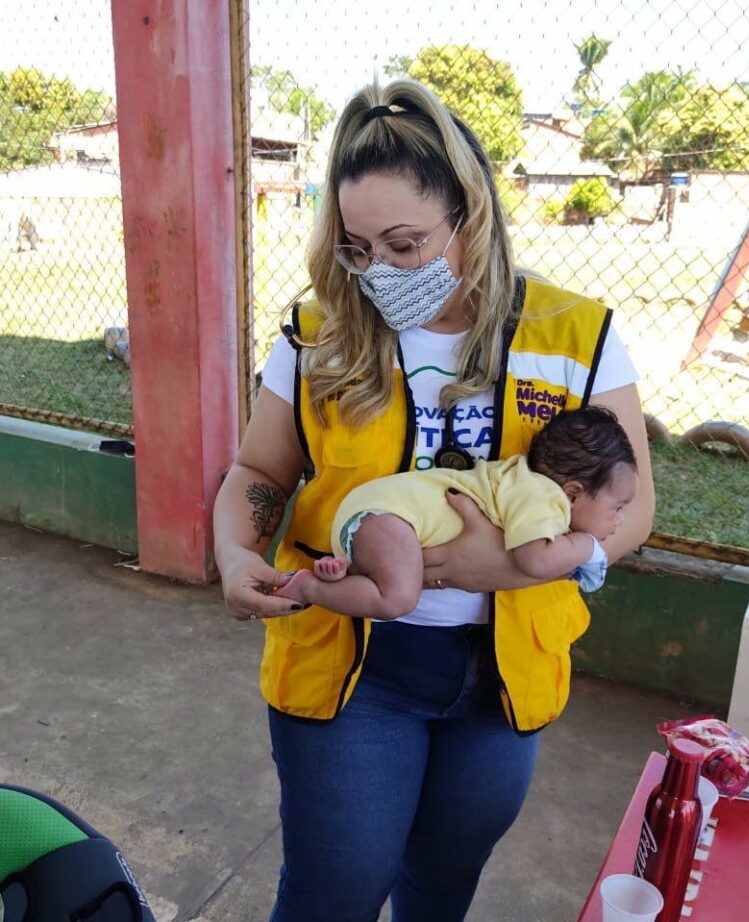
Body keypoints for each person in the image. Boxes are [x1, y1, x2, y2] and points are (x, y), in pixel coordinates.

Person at [213, 78, 654, 922]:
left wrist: (529, 564)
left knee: (442, 888)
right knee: (334, 894)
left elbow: (631, 504)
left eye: (405, 242)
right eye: (357, 246)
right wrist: (236, 555)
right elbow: (259, 475)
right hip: (352, 666)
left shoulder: (576, 336)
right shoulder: (320, 336)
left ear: (471, 216)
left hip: (503, 679)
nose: (379, 269)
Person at [275, 406, 639, 617]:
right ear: (574, 492)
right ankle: (309, 588)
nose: (619, 520)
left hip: (379, 512)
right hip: (388, 515)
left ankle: (342, 574)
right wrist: (587, 547)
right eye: (617, 506)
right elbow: (535, 561)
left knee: (389, 578)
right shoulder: (546, 497)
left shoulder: (521, 480)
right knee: (398, 598)